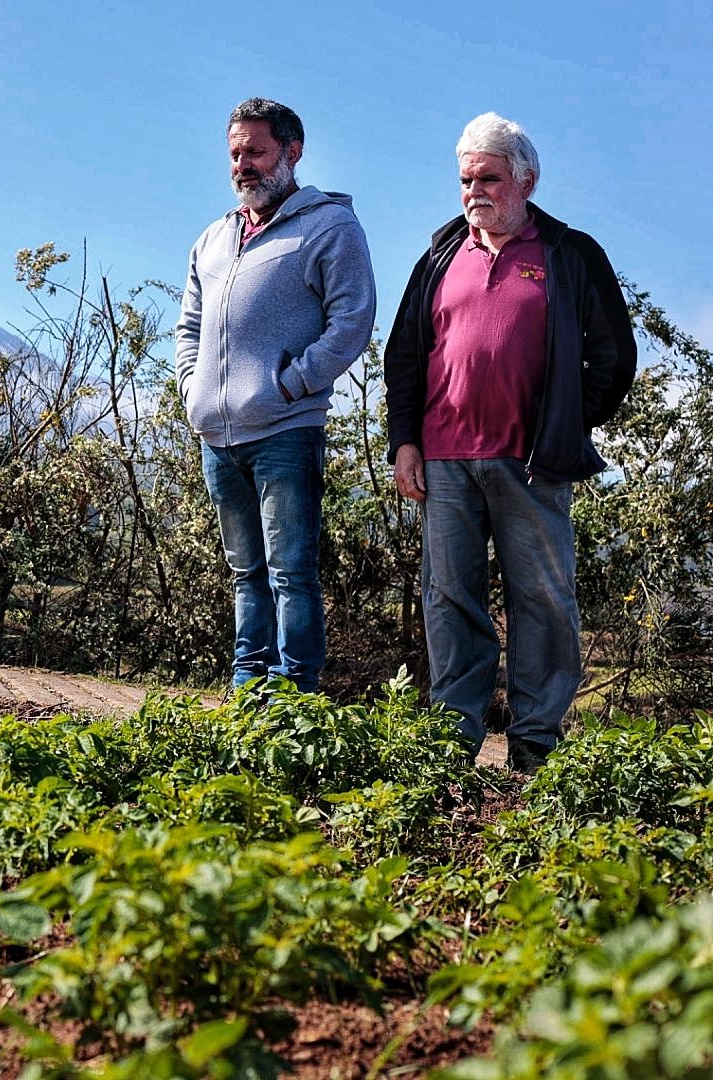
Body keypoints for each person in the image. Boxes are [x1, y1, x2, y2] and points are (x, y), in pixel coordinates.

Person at [384, 112, 636, 772]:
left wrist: (568, 423)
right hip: (444, 459)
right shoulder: (440, 254)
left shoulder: (570, 254)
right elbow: (405, 356)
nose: (474, 190)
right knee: (449, 600)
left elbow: (613, 354)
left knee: (544, 603)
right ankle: (451, 743)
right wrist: (404, 442)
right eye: (466, 179)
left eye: (488, 177)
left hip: (532, 460)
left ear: (527, 180)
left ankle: (534, 750)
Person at [174, 97, 377, 693]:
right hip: (217, 437)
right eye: (235, 153)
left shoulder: (330, 226)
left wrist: (290, 384)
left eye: (255, 152)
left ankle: (292, 698)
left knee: (291, 573)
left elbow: (352, 321)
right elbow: (189, 326)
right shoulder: (212, 238)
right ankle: (245, 693)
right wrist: (192, 389)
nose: (243, 165)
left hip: (286, 430)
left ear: (292, 152)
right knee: (244, 575)